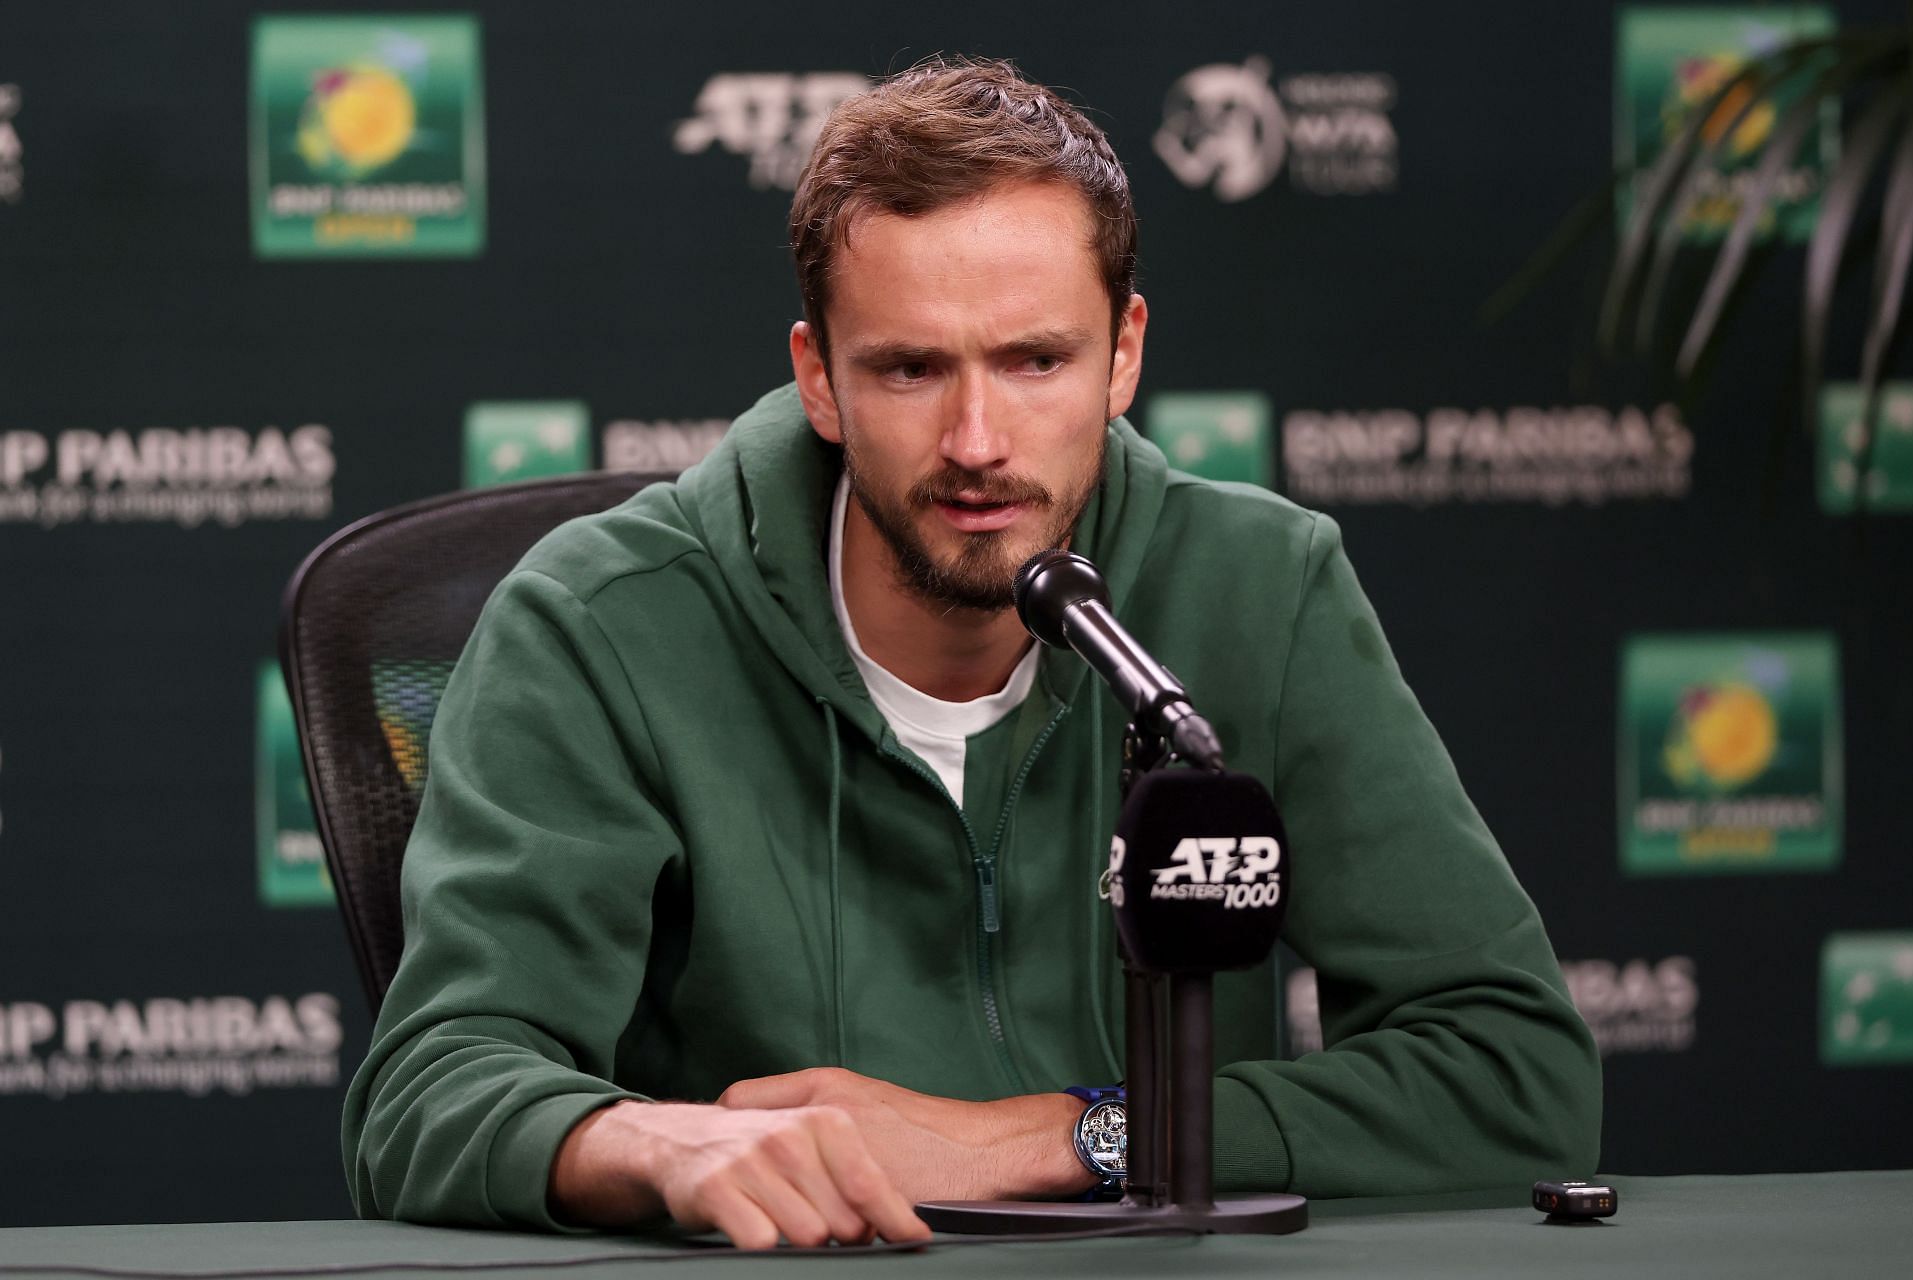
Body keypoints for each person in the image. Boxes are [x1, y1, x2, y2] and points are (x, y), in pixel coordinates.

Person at [342, 58, 1601, 1249]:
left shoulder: (1259, 590)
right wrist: (653, 1142)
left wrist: (1056, 1136)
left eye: (1035, 359)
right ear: (819, 380)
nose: (979, 438)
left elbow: (1512, 1071)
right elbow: (428, 1093)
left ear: (1125, 355)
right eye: (908, 369)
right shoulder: (599, 620)